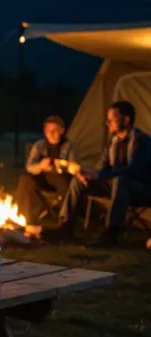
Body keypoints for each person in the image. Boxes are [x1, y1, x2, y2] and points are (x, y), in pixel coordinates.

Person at [54, 100, 151, 247]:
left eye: (112, 119)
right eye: (108, 120)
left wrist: (100, 175)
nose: (108, 123)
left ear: (126, 119)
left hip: (141, 189)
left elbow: (134, 170)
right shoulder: (113, 142)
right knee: (78, 181)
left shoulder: (142, 141)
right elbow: (102, 168)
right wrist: (88, 174)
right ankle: (65, 227)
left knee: (121, 180)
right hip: (115, 186)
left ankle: (111, 233)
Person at [15, 115, 76, 223]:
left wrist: (62, 166)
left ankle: (64, 221)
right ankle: (20, 216)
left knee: (64, 183)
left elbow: (73, 167)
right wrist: (41, 166)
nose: (51, 134)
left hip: (61, 180)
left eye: (54, 131)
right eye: (48, 131)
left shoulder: (68, 146)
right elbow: (29, 166)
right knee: (25, 179)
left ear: (62, 131)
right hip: (42, 178)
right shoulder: (39, 145)